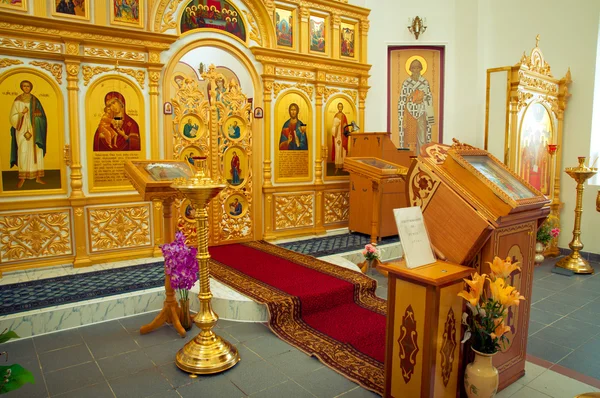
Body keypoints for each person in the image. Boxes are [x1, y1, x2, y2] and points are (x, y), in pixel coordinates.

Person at [9, 80, 47, 188]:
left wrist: (37, 115)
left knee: (37, 151)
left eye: (28, 86)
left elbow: (43, 116)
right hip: (21, 129)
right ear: (22, 87)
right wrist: (22, 114)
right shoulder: (17, 101)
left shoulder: (35, 100)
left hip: (34, 129)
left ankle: (38, 177)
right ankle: (22, 177)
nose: (26, 88)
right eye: (24, 86)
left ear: (31, 87)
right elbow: (12, 117)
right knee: (23, 151)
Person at [397, 59, 435, 154]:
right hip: (410, 112)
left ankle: (421, 156)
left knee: (422, 136)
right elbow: (402, 98)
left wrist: (422, 98)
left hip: (421, 111)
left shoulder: (424, 82)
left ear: (421, 69)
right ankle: (411, 157)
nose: (416, 70)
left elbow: (429, 97)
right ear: (410, 69)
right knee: (410, 136)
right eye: (413, 68)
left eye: (418, 67)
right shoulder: (406, 83)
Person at [331, 102, 349, 170]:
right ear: (338, 107)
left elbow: (346, 127)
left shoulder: (344, 116)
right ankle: (337, 166)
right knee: (337, 150)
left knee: (342, 151)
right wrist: (336, 126)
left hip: (342, 136)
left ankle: (343, 166)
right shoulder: (335, 115)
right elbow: (333, 126)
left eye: (341, 106)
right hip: (337, 135)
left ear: (342, 107)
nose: (340, 108)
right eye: (339, 106)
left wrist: (344, 127)